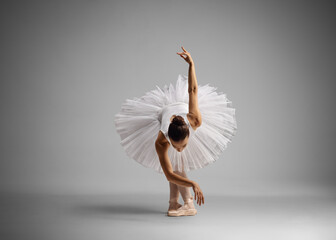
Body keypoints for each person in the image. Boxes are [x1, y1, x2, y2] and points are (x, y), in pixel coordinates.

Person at [114, 46, 237, 217]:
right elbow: (169, 175)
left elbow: (192, 90)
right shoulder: (161, 141)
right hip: (163, 111)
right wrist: (192, 183)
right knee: (174, 165)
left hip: (180, 107)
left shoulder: (195, 120)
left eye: (184, 145)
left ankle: (185, 204)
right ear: (168, 139)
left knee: (177, 161)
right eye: (176, 146)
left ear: (189, 134)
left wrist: (191, 64)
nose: (180, 149)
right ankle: (176, 203)